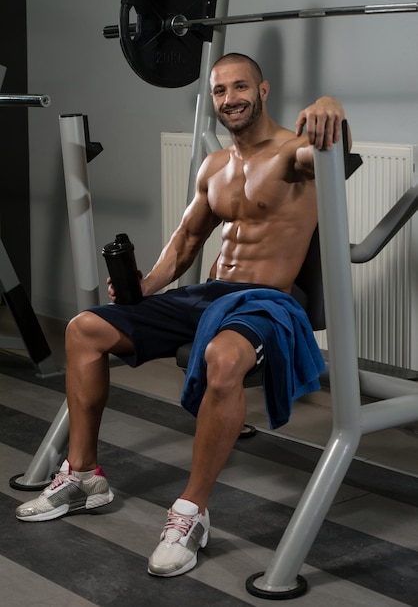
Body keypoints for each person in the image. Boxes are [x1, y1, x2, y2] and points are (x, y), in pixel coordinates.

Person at [16, 53, 349, 577]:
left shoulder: (294, 154)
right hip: (213, 292)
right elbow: (188, 240)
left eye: (241, 87)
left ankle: (190, 513)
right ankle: (83, 477)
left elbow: (333, 152)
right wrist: (143, 286)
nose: (230, 99)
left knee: (222, 356)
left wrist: (333, 110)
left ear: (262, 91)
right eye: (220, 91)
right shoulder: (215, 166)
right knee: (85, 330)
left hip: (267, 301)